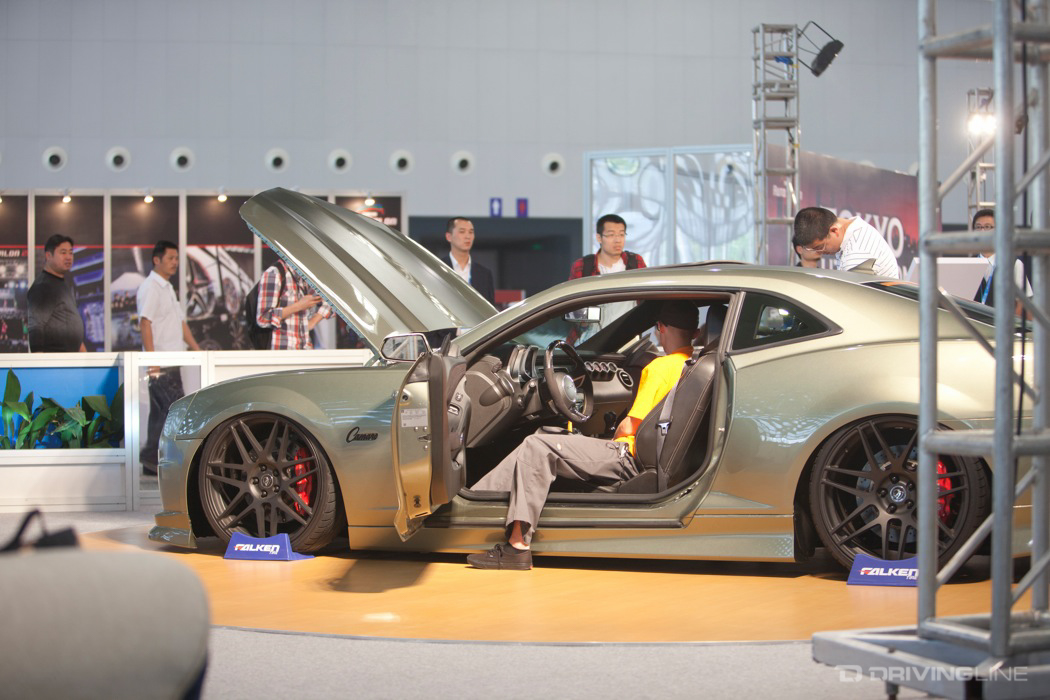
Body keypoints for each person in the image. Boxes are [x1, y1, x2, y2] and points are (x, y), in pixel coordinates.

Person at [466, 300, 700, 570]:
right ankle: (474, 500)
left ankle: (517, 547)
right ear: (695, 333)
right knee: (546, 435)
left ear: (660, 328)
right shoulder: (691, 365)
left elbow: (630, 426)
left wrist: (609, 440)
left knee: (538, 446)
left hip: (628, 457)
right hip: (651, 454)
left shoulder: (660, 368)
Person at [137, 240, 201, 476]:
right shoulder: (151, 287)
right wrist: (153, 361)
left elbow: (180, 323)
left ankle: (150, 459)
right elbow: (145, 323)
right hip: (161, 363)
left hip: (172, 361)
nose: (175, 262)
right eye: (171, 258)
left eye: (176, 258)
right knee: (176, 410)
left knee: (161, 412)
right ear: (157, 260)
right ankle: (171, 462)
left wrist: (197, 349)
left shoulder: (167, 287)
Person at [792, 207, 901, 279]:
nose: (820, 252)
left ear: (834, 231)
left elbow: (854, 302)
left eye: (820, 247)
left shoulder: (858, 252)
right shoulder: (854, 230)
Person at [26, 234, 86, 352]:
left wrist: (85, 356)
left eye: (71, 253)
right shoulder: (43, 286)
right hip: (54, 359)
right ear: (48, 256)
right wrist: (38, 360)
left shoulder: (63, 284)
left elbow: (70, 324)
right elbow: (36, 328)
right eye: (63, 253)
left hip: (71, 358)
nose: (68, 257)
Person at [256, 259, 333, 349]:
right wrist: (299, 306)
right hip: (283, 350)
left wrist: (313, 322)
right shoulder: (274, 273)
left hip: (305, 348)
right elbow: (263, 318)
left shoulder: (304, 275)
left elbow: (330, 300)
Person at [971, 208, 1031, 311]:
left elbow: (1024, 304)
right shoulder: (967, 264)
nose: (982, 231)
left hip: (1003, 320)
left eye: (988, 227)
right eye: (978, 227)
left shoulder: (1013, 264)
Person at [568, 214, 647, 279]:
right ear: (599, 238)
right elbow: (572, 292)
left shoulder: (636, 261)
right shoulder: (582, 266)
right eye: (611, 235)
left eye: (621, 234)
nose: (618, 240)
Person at [440, 217, 495, 304]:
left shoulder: (485, 274)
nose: (468, 236)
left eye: (471, 232)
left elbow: (490, 308)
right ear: (449, 237)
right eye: (462, 232)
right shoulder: (438, 269)